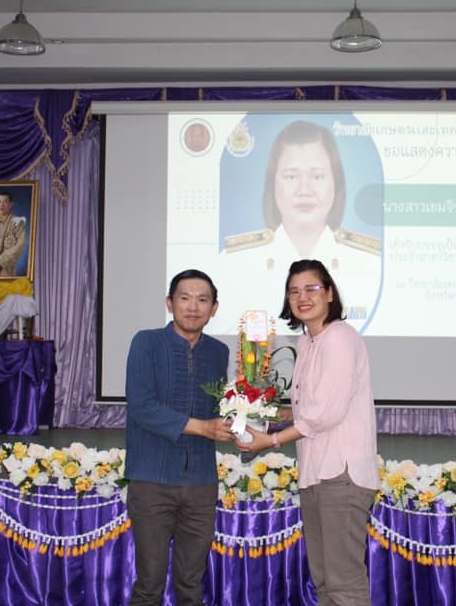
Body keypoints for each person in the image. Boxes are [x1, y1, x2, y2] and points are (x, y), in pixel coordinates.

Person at [236, 259, 378, 606]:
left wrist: (271, 440)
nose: (302, 297)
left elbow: (326, 413)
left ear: (329, 294)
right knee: (325, 580)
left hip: (341, 474)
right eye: (294, 291)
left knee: (343, 582)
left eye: (311, 288)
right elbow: (310, 408)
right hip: (317, 473)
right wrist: (265, 414)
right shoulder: (308, 343)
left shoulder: (339, 337)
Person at [124, 269, 233, 606]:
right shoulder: (146, 342)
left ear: (214, 308)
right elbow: (141, 407)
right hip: (152, 480)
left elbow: (219, 408)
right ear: (170, 303)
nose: (193, 307)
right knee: (150, 584)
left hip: (201, 483)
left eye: (203, 299)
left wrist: (243, 420)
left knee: (191, 584)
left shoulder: (219, 352)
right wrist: (203, 427)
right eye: (184, 298)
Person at [219, 121, 381, 333]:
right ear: (272, 184)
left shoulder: (370, 264)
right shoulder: (234, 264)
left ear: (336, 183)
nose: (304, 189)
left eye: (317, 176)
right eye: (291, 176)